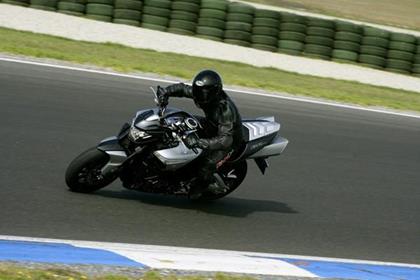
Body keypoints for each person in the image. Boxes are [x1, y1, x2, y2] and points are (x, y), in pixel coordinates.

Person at [158, 70, 243, 198]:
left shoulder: (225, 110)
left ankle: (200, 187)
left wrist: (199, 142)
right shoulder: (201, 93)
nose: (200, 96)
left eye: (204, 92)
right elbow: (182, 89)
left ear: (215, 92)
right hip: (212, 125)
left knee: (207, 164)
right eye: (198, 91)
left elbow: (225, 140)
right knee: (181, 120)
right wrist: (166, 91)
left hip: (229, 141)